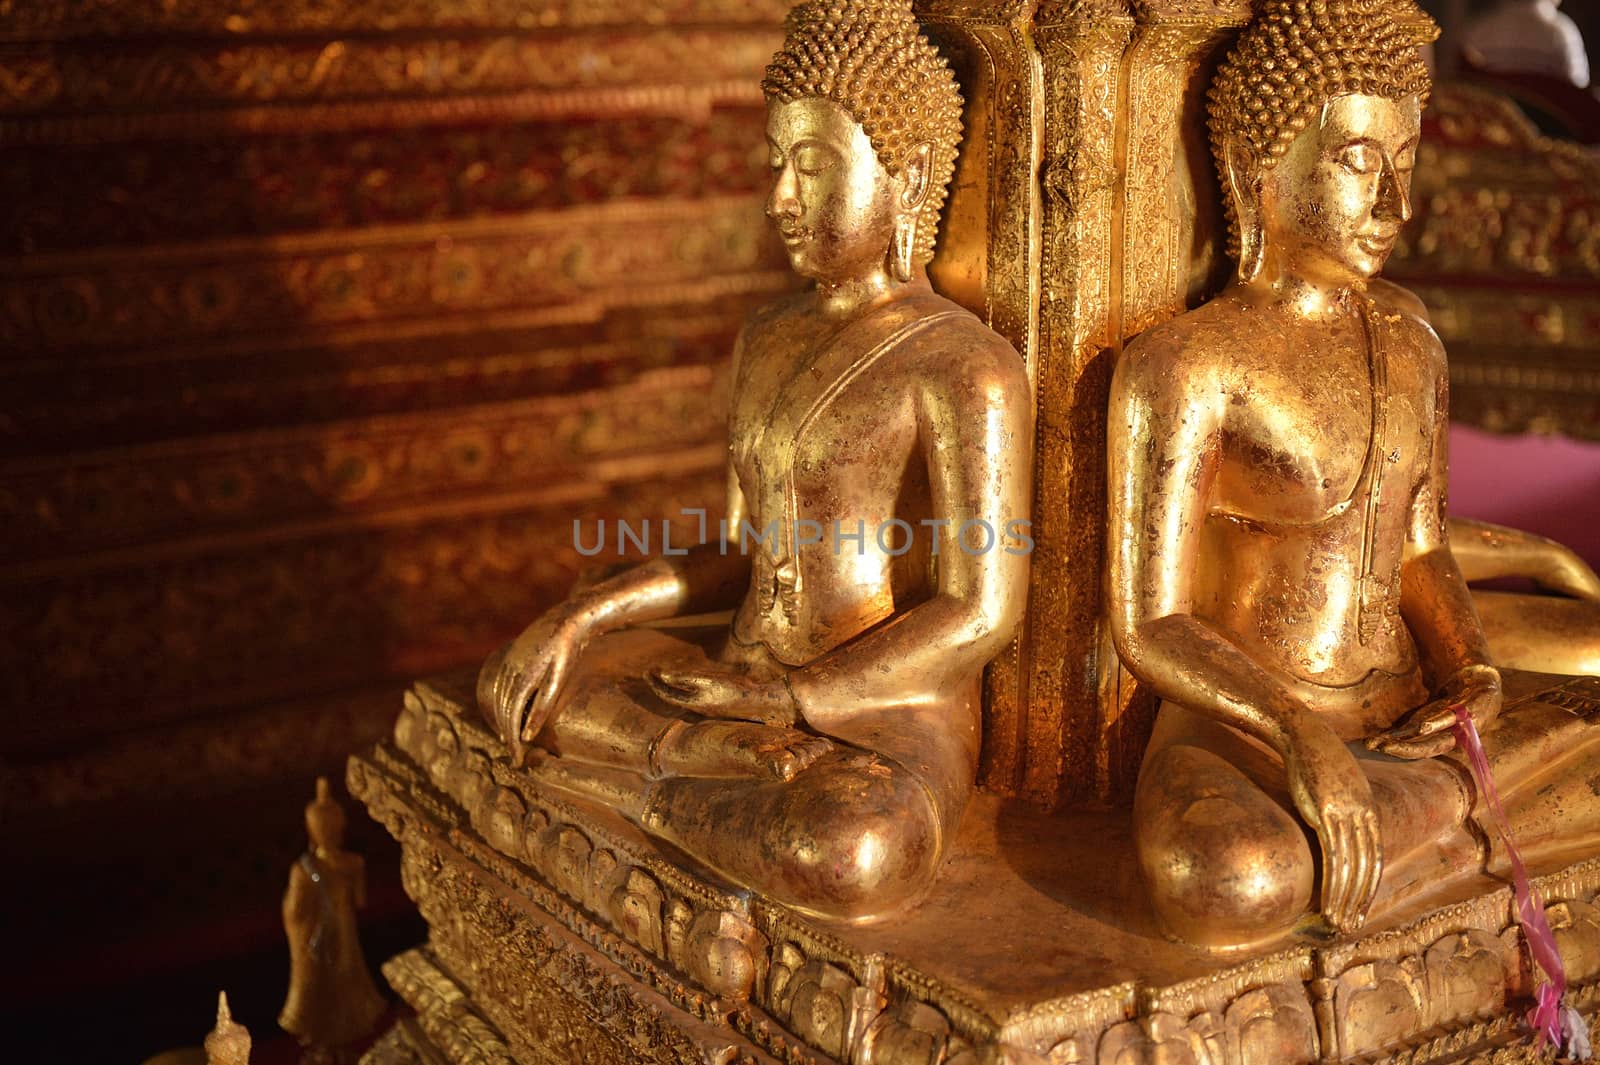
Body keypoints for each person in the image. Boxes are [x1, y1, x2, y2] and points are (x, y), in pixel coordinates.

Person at [478, 0, 1032, 923]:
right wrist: (580, 616)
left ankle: (636, 792)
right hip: (735, 687)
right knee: (539, 681)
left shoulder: (963, 363)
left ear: (911, 173)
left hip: (880, 711)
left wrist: (789, 697)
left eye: (813, 166)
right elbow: (737, 551)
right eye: (776, 165)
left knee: (855, 850)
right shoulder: (767, 337)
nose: (780, 197)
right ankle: (704, 773)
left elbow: (979, 610)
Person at [1108, 0, 1600, 949]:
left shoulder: (1408, 333)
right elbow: (1151, 623)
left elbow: (1419, 548)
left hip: (1404, 706)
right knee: (1230, 877)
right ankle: (1439, 837)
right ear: (1263, 168)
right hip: (1246, 730)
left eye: (1404, 167)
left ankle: (1399, 838)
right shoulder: (1190, 364)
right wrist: (1299, 736)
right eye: (1360, 162)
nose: (1394, 208)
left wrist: (1473, 670)